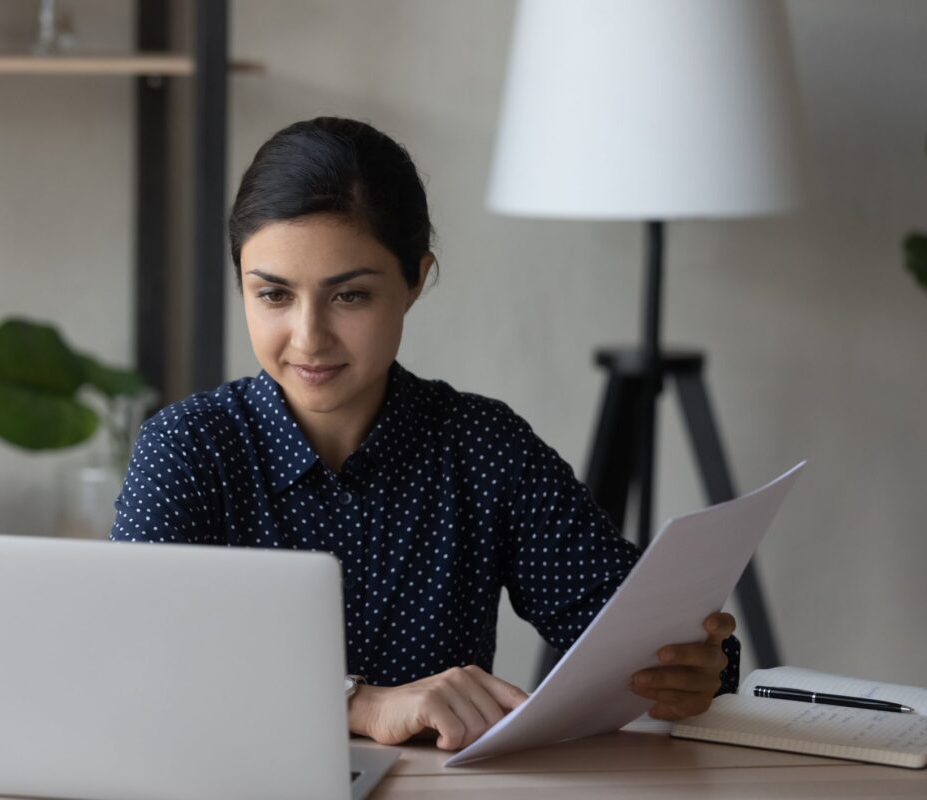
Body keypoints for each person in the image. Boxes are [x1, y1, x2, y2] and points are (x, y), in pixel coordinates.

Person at [110, 116, 740, 752]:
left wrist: (697, 668)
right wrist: (360, 704)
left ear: (414, 279)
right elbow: (131, 663)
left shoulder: (482, 446)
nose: (308, 337)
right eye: (273, 295)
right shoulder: (188, 447)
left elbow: (624, 628)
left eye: (349, 296)